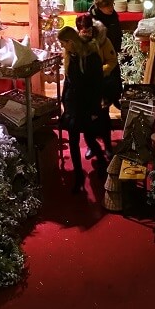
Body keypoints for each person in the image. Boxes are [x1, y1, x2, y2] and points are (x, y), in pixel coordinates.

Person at [57, 26, 106, 193]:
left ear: (71, 41)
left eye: (64, 44)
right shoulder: (70, 56)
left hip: (87, 103)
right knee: (73, 140)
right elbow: (69, 81)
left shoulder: (91, 57)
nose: (63, 47)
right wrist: (64, 100)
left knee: (90, 138)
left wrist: (95, 108)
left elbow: (97, 84)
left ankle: (102, 161)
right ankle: (78, 177)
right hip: (73, 104)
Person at [76, 14, 119, 158]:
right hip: (85, 86)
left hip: (101, 84)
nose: (86, 34)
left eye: (88, 30)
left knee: (103, 116)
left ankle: (107, 145)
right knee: (87, 117)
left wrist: (100, 72)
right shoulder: (77, 42)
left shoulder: (103, 40)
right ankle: (91, 145)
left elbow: (112, 60)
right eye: (83, 31)